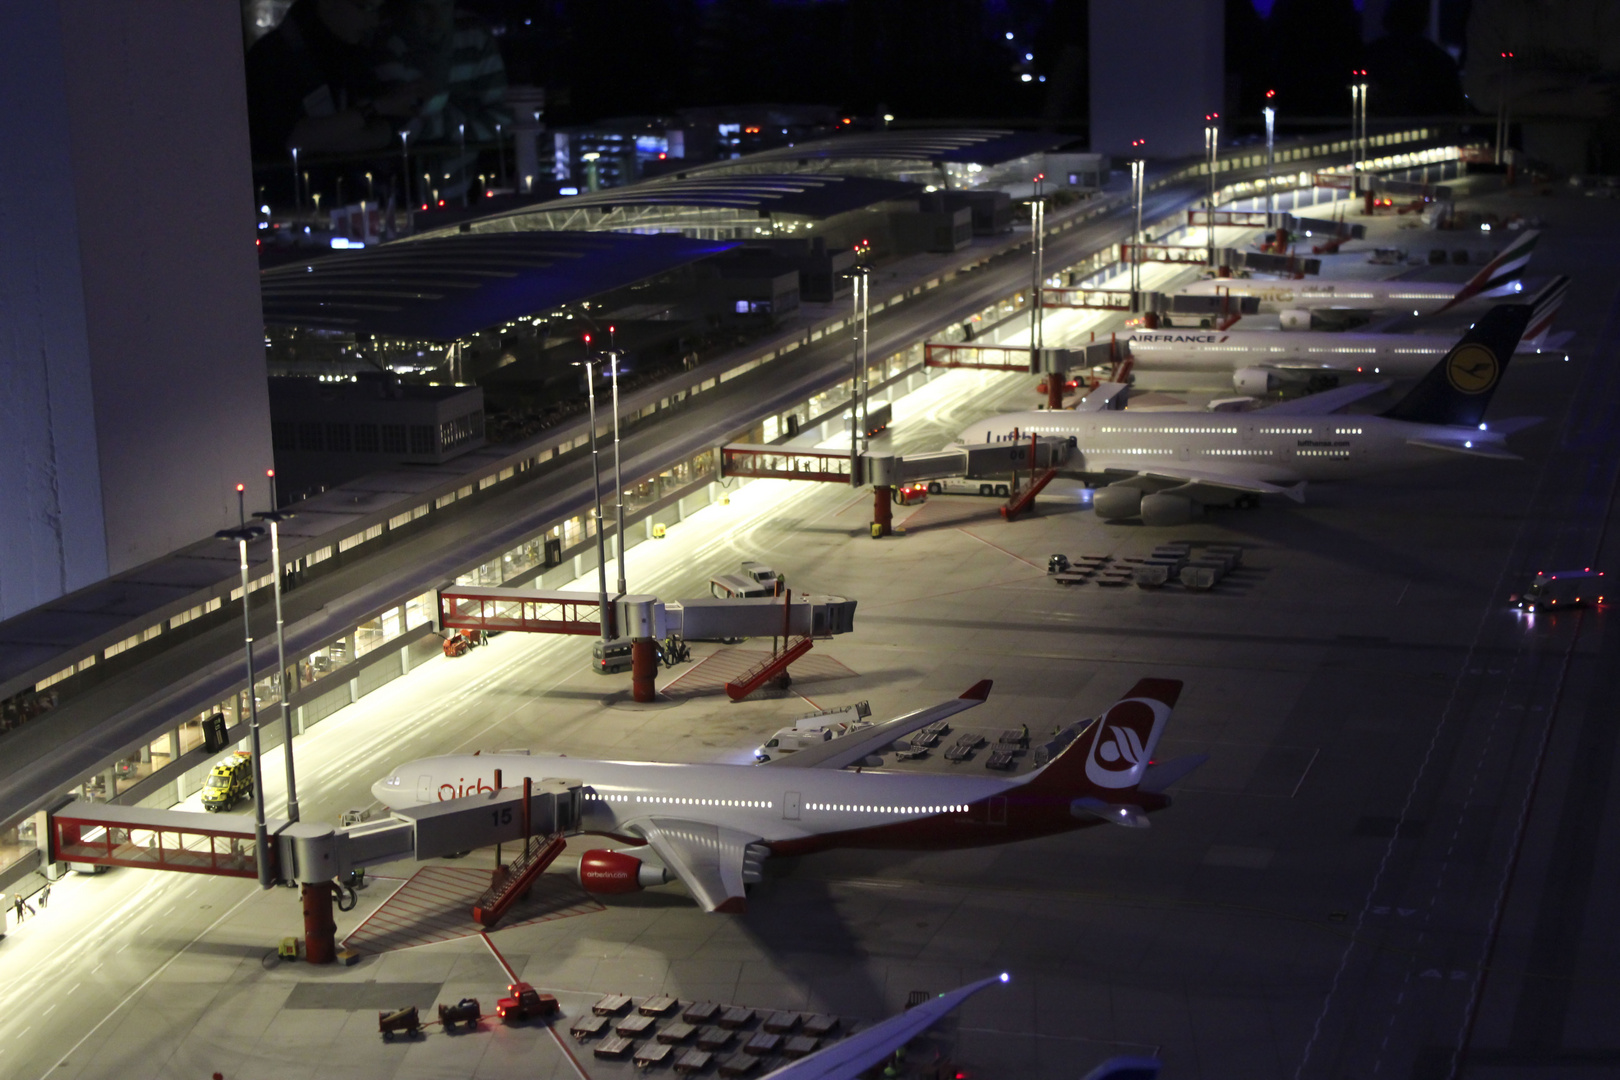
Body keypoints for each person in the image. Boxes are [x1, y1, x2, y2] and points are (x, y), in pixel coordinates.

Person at [244, 0, 431, 161]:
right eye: (364, 7)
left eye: (377, 10)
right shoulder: (274, 57)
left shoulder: (352, 51)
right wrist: (375, 110)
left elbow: (390, 128)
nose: (374, 21)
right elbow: (293, 141)